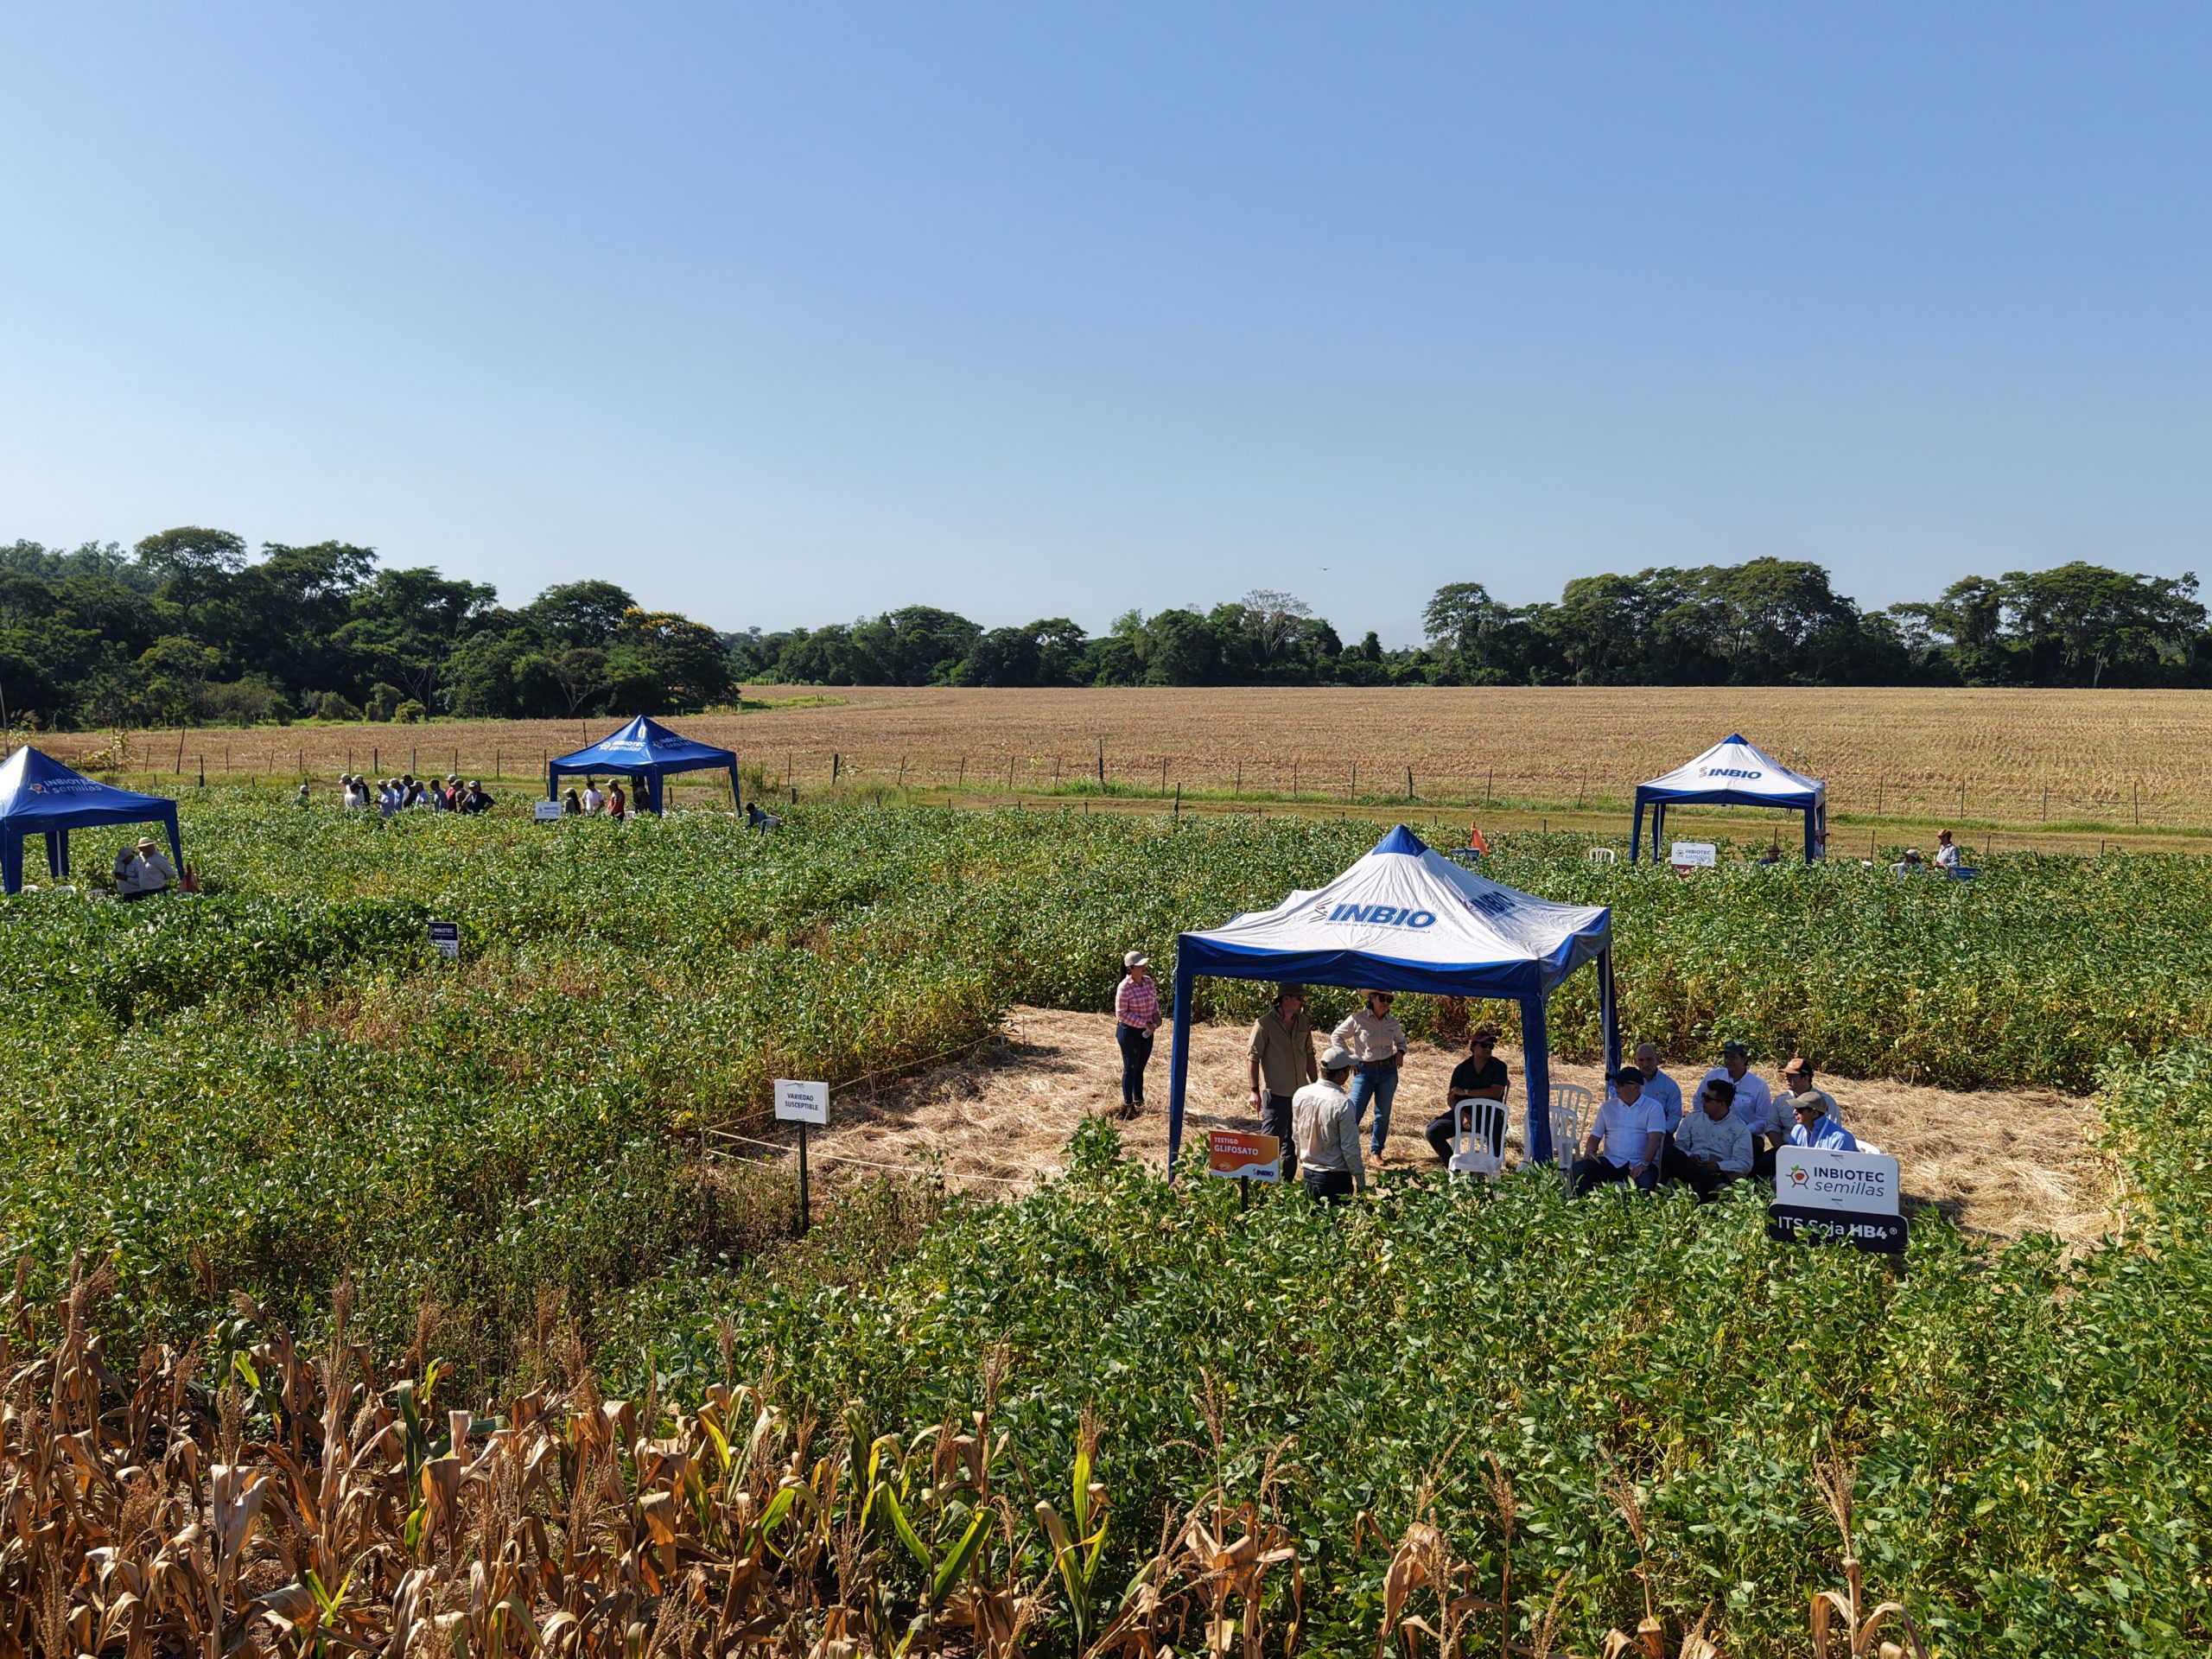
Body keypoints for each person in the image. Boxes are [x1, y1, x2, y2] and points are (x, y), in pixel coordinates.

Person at [1248, 984, 1317, 1177]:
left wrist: (1317, 1084)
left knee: (1294, 1142)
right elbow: (1252, 1057)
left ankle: (1286, 1185)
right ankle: (1261, 1186)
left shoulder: (1303, 1022)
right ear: (1286, 999)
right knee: (1269, 1143)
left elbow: (1310, 1054)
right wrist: (1254, 1090)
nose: (1302, 1002)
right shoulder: (1264, 1024)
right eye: (1299, 998)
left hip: (1300, 1095)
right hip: (1276, 1094)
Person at [1332, 990, 1408, 1161]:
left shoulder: (1393, 1022)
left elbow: (1401, 1042)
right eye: (1382, 998)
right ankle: (1343, 1150)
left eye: (1389, 1000)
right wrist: (1348, 1057)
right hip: (1363, 1072)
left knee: (1383, 1114)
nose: (1386, 1002)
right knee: (1354, 1112)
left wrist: (1401, 1052)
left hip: (1388, 1071)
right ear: (1372, 999)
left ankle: (1376, 1152)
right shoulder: (1357, 1018)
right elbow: (1337, 1036)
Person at [1572, 1066, 1664, 1196]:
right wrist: (1590, 1150)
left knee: (1646, 1184)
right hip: (1612, 1161)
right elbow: (1595, 1136)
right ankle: (1585, 1208)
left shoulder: (1653, 1108)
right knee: (1579, 1168)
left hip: (1639, 1163)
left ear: (1636, 1087)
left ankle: (1640, 1215)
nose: (1616, 1087)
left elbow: (1655, 1139)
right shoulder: (1607, 1107)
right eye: (1615, 1084)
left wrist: (1644, 1164)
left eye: (1620, 1084)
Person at [1291, 1044, 1365, 1204]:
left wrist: (1302, 1160)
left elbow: (1296, 1135)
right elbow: (1350, 1148)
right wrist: (1360, 1180)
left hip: (1308, 1174)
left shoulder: (1300, 1094)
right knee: (1336, 1226)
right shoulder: (1342, 1104)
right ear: (1340, 1073)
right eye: (1348, 1070)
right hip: (1335, 1179)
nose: (1349, 1074)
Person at [1660, 1077, 1754, 1198]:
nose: (1702, 1101)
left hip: (1719, 1173)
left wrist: (1719, 1165)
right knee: (1670, 1151)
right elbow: (1680, 1146)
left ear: (1722, 1104)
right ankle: (1711, 1184)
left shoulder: (1739, 1128)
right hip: (1691, 1168)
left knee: (1704, 1177)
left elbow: (1745, 1164)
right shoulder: (1692, 1119)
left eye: (1708, 1099)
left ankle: (1708, 1184)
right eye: (1704, 1096)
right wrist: (1691, 1156)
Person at [1427, 1027, 1510, 1165]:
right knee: (1433, 1131)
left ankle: (1493, 1167)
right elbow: (1451, 1098)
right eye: (1483, 1045)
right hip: (1465, 1115)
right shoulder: (1461, 1069)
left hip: (1490, 1115)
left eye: (1491, 1046)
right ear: (1473, 1047)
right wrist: (1462, 1114)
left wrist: (1466, 1092)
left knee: (1498, 1127)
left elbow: (1495, 1092)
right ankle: (1453, 1165)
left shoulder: (1499, 1067)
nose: (1488, 1049)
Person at [1702, 1040, 1777, 1150]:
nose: (1728, 1061)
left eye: (1733, 1057)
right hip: (1712, 1129)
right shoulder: (1713, 1076)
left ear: (1744, 1059)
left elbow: (1764, 1119)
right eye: (1726, 1057)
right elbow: (1698, 1100)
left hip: (1747, 1135)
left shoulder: (1759, 1086)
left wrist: (1743, 1130)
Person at [1113, 950, 1160, 1117]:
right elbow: (1121, 1014)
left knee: (1140, 1067)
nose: (1144, 967)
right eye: (1140, 965)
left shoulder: (1148, 982)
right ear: (1130, 969)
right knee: (1130, 1068)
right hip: (1129, 1032)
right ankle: (1128, 1104)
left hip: (1147, 1031)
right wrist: (1144, 1023)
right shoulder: (1124, 987)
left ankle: (1139, 1099)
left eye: (1144, 964)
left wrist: (1156, 1015)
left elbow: (1154, 1003)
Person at [1633, 1041, 1684, 1133]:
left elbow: (1674, 1116)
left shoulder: (1670, 1086)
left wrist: (1659, 1133)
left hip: (1661, 1133)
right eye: (1641, 1060)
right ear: (1635, 1061)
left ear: (1657, 1060)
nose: (1645, 1064)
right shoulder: (1628, 1084)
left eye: (1649, 1059)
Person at [1777, 1058, 1841, 1127]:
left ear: (1805, 1078)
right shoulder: (1780, 1100)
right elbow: (1772, 1126)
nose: (1786, 1078)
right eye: (1786, 1075)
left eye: (1792, 1076)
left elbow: (1834, 1129)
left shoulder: (1826, 1101)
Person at [1787, 1095, 1861, 1152]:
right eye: (1795, 1108)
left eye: (1799, 1109)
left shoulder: (1840, 1139)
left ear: (1814, 1113)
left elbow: (1841, 1170)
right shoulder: (1797, 1130)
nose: (1794, 1112)